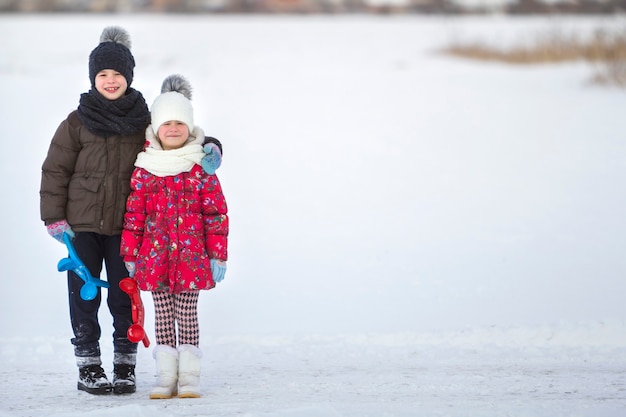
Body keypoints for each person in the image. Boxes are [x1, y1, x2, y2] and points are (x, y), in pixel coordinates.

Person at [39, 26, 151, 395]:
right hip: (81, 226)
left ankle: (125, 365)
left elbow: (176, 137)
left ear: (129, 77)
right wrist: (54, 217)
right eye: (103, 74)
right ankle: (88, 366)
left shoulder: (142, 121)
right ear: (93, 78)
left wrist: (209, 144)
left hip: (125, 226)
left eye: (117, 74)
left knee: (124, 293)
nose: (110, 80)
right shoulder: (77, 121)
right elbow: (55, 170)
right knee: (85, 294)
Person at [120, 74, 229, 399]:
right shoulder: (145, 168)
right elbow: (134, 217)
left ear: (190, 128)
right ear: (155, 129)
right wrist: (129, 254)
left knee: (188, 314)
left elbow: (216, 215)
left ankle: (189, 377)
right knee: (163, 315)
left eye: (179, 124)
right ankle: (166, 376)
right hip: (154, 260)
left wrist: (217, 255)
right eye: (166, 124)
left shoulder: (199, 168)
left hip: (192, 259)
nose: (173, 129)